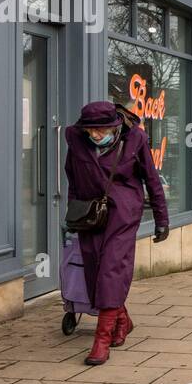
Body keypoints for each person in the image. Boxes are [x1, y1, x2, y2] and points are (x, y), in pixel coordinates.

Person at [65, 101, 169, 366]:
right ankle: (122, 320)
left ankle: (101, 341)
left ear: (114, 125)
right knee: (93, 272)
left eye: (101, 129)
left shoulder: (135, 138)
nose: (95, 135)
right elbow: (73, 178)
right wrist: (73, 212)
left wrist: (161, 219)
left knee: (111, 269)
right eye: (91, 130)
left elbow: (151, 179)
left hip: (123, 213)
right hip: (90, 214)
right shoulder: (77, 140)